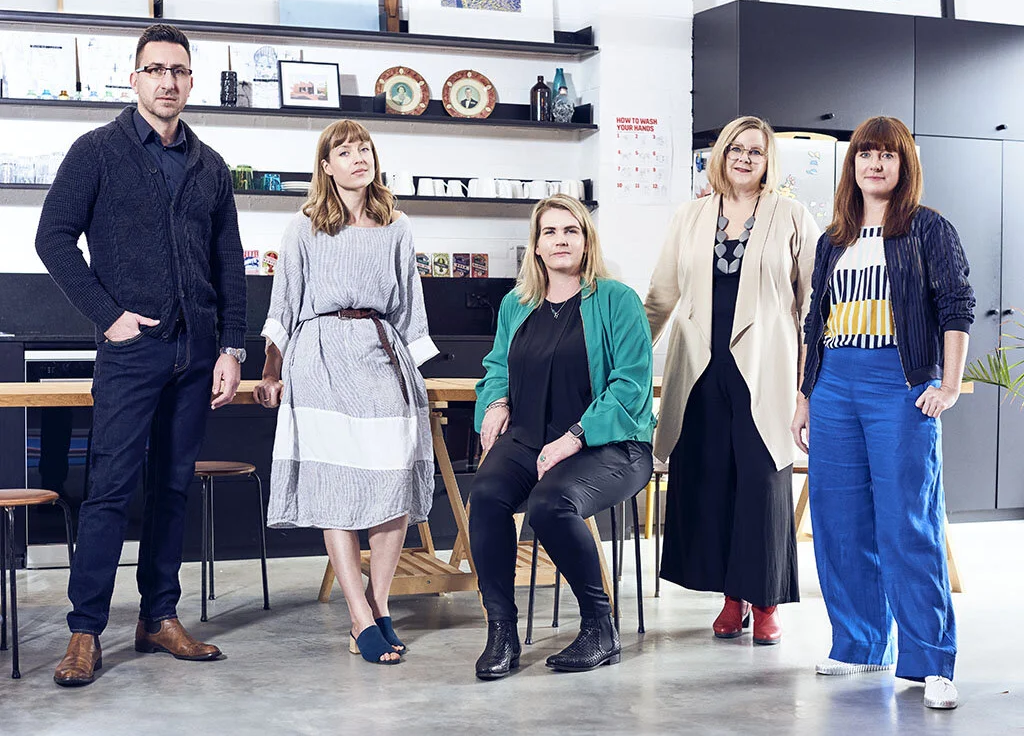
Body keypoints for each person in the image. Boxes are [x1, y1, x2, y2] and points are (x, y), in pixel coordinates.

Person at [35, 23, 246, 687]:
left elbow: (228, 262)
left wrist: (231, 346)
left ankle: (159, 616)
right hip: (132, 354)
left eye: (179, 71)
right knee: (110, 488)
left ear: (191, 80)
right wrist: (108, 317)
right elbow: (53, 238)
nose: (168, 82)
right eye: (155, 70)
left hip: (196, 351)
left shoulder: (209, 164)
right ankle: (84, 630)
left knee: (173, 488)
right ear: (133, 79)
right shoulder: (96, 151)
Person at [792, 116, 973, 709]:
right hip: (834, 383)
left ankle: (930, 662)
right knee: (840, 521)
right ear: (854, 165)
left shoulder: (928, 229)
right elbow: (814, 323)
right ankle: (860, 644)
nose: (875, 164)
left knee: (907, 523)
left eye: (887, 155)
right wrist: (804, 396)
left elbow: (955, 308)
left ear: (904, 164)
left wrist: (947, 386)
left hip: (899, 382)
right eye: (865, 154)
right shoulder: (833, 239)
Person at [253, 119, 438, 666]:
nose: (358, 157)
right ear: (326, 166)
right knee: (335, 482)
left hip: (381, 350)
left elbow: (410, 309)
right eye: (344, 150)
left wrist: (417, 376)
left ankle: (378, 606)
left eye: (365, 149)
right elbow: (282, 306)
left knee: (393, 479)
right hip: (320, 357)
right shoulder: (304, 228)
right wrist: (270, 370)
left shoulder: (397, 226)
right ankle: (359, 616)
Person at [645, 115, 819, 645]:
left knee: (763, 483)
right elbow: (660, 296)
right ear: (719, 155)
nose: (744, 159)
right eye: (736, 149)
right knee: (711, 480)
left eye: (756, 152)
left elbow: (814, 305)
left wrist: (804, 388)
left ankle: (765, 602)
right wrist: (620, 358)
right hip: (700, 368)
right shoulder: (691, 215)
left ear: (769, 162)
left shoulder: (792, 216)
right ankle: (731, 597)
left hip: (764, 370)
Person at [470, 194, 655, 679]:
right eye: (549, 232)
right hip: (531, 437)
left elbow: (631, 384)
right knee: (486, 493)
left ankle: (599, 626)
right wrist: (495, 403)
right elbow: (495, 368)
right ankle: (501, 631)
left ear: (586, 240)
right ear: (535, 246)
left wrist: (575, 436)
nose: (560, 240)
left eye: (570, 230)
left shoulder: (618, 300)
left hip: (611, 445)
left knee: (549, 504)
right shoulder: (517, 304)